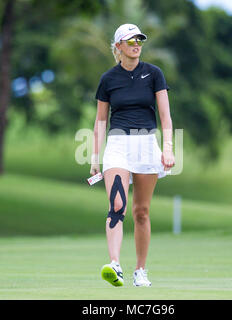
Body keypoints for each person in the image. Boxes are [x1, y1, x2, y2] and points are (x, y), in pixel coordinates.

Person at [90, 23, 175, 287]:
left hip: (147, 145)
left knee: (141, 212)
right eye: (130, 40)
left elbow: (165, 117)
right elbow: (100, 121)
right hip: (117, 146)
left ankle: (140, 270)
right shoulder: (108, 79)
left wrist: (169, 147)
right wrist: (95, 157)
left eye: (139, 39)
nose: (136, 44)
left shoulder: (154, 74)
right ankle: (115, 265)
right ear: (118, 47)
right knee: (117, 206)